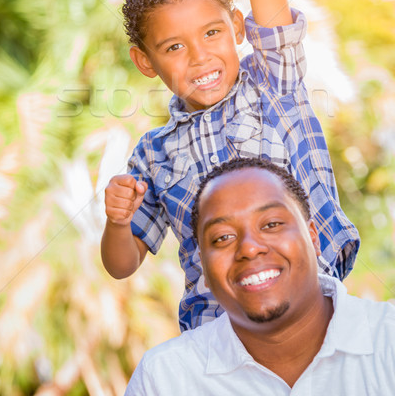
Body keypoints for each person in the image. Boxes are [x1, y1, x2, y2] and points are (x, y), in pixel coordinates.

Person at [101, 0, 359, 332]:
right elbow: (121, 263)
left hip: (313, 313)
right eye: (175, 46)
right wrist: (117, 220)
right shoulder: (153, 154)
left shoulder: (275, 82)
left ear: (238, 27)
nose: (200, 57)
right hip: (216, 336)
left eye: (212, 34)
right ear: (146, 62)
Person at [125, 158, 395, 395]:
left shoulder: (387, 339)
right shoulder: (163, 379)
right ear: (203, 269)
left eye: (271, 224)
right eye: (223, 238)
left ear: (313, 238)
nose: (250, 248)